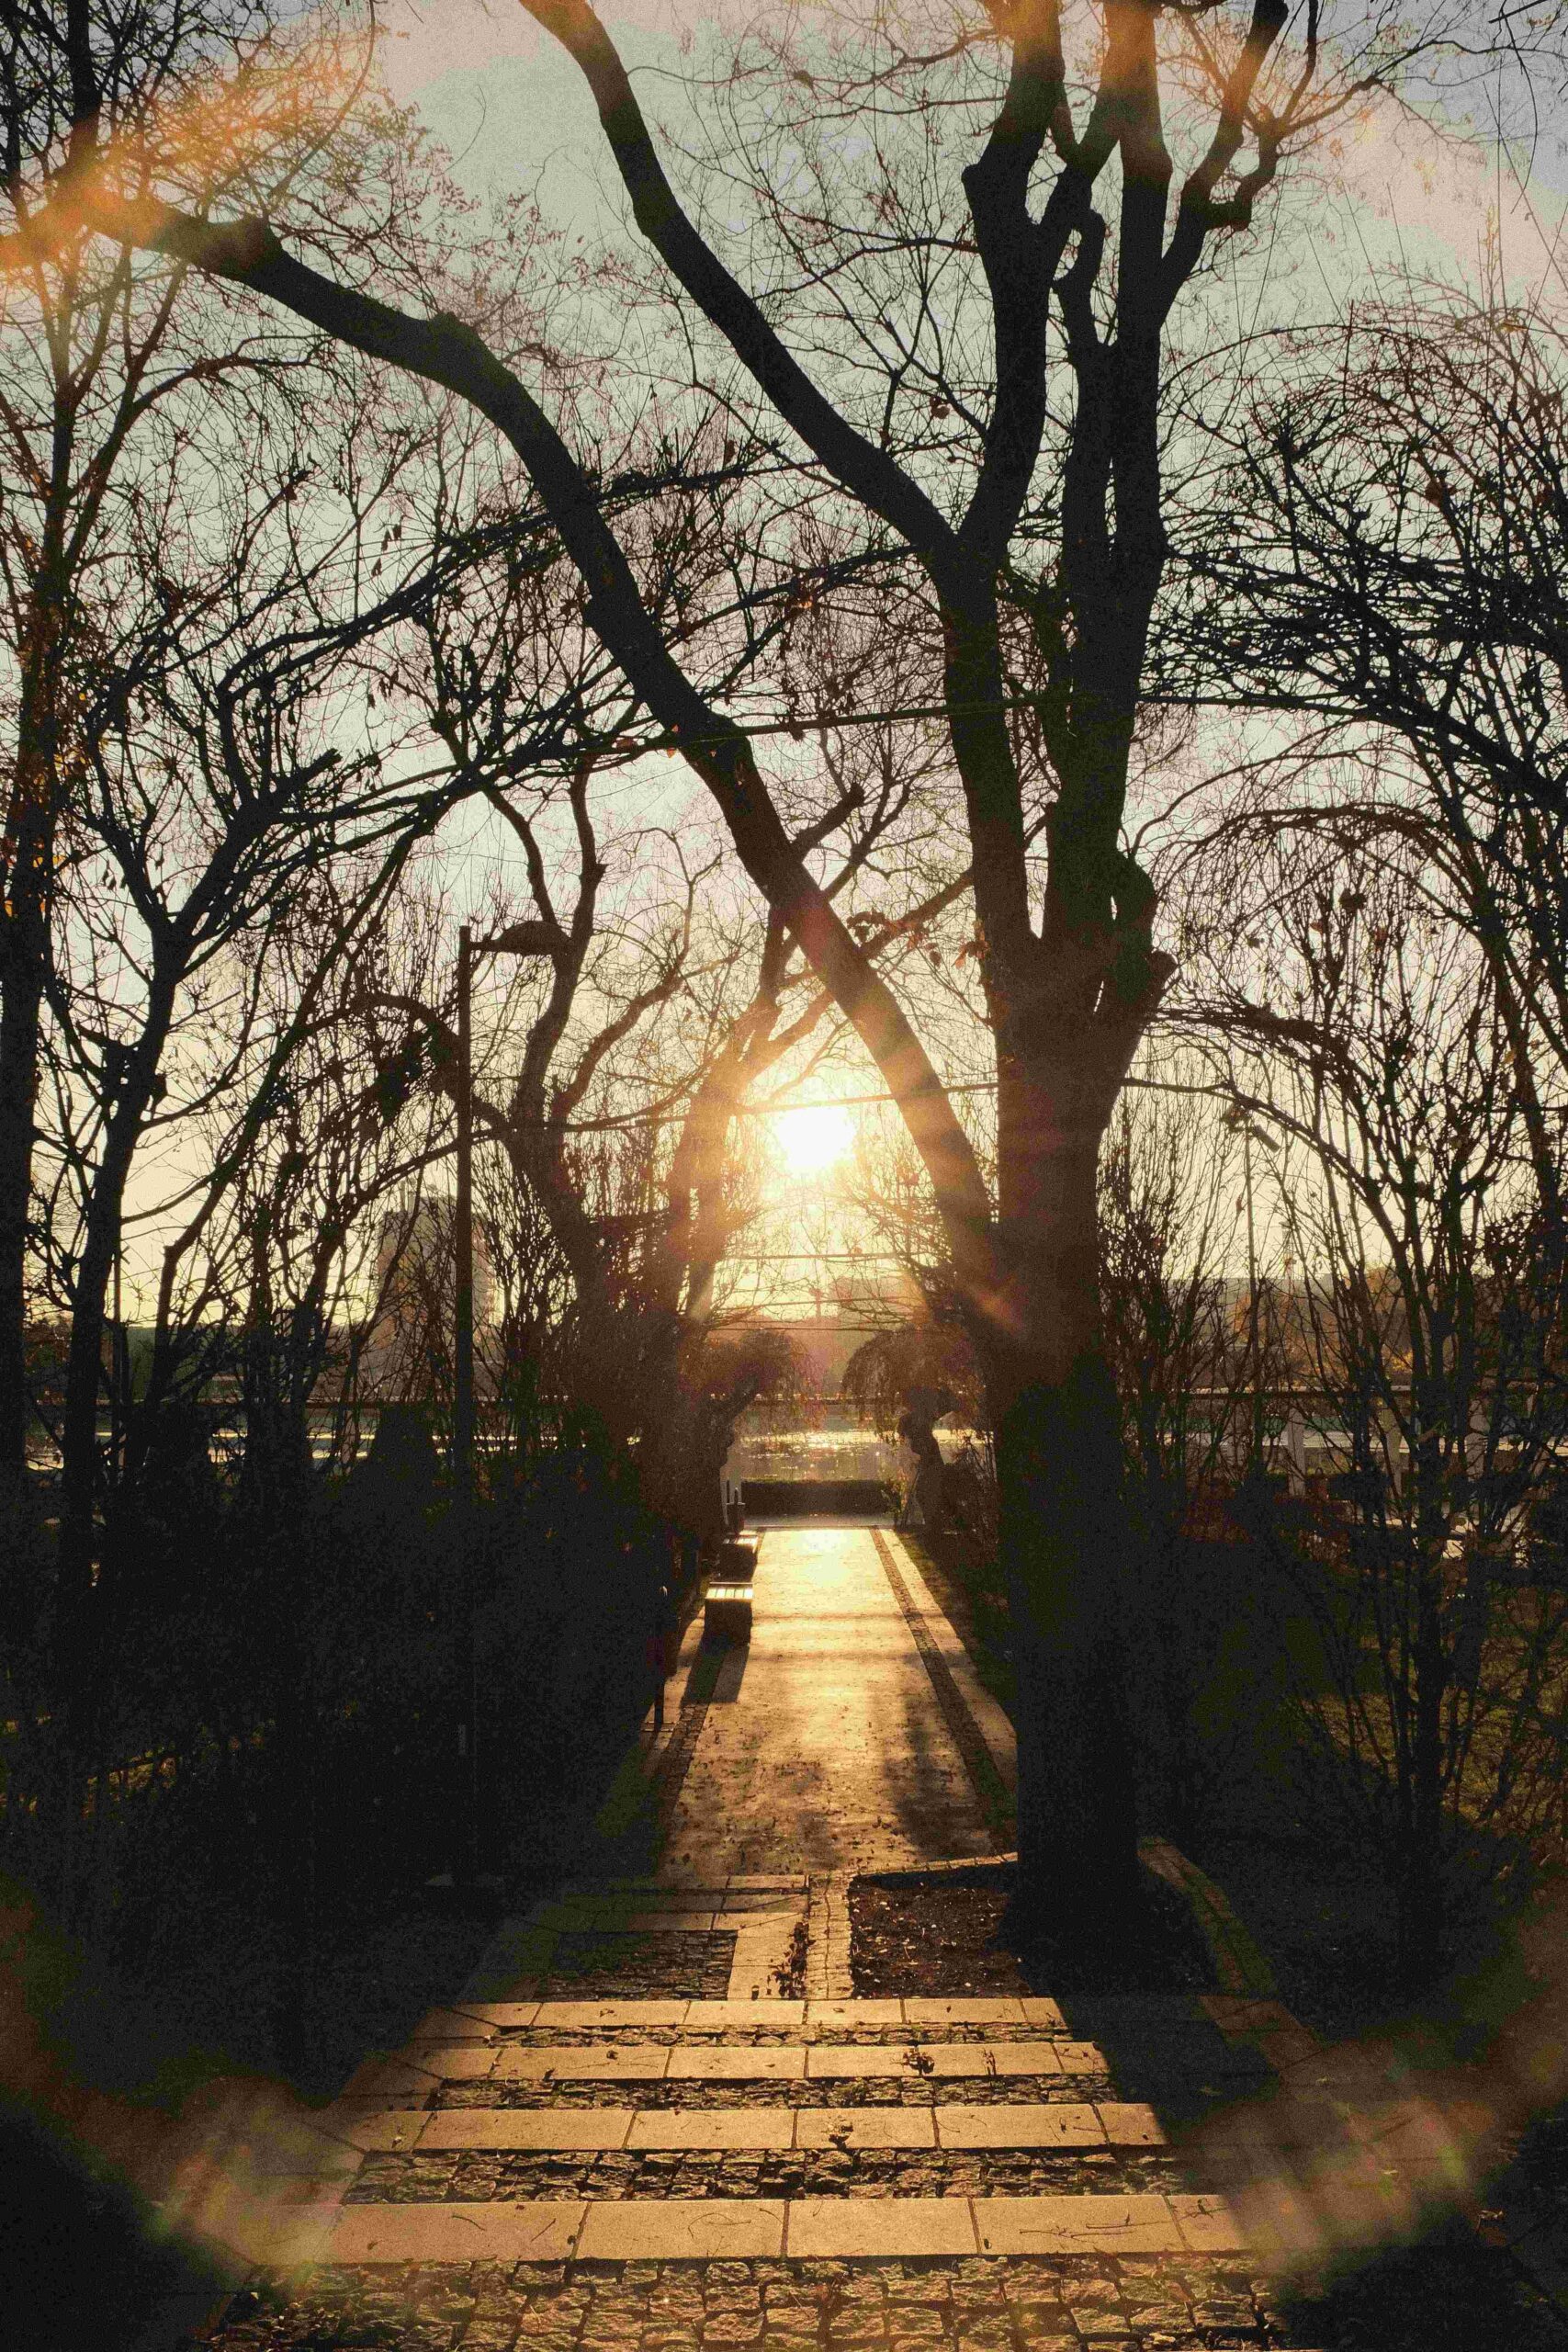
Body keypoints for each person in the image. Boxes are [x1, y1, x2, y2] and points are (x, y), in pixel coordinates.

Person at [648, 1580, 678, 1731]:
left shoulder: (659, 1596)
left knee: (657, 1674)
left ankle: (658, 1718)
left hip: (656, 1646)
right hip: (660, 1646)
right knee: (659, 1674)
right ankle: (658, 1718)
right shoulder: (664, 1597)